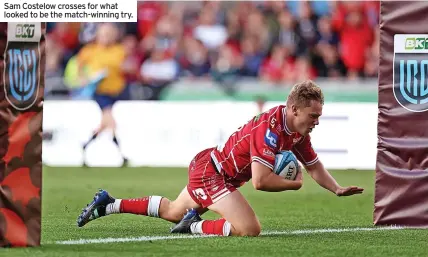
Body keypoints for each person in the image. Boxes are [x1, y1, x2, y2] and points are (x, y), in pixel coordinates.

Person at [77, 80, 364, 236]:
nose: (317, 121)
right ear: (294, 109)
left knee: (173, 211)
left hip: (215, 170)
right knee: (249, 229)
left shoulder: (297, 133)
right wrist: (295, 183)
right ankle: (194, 226)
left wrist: (336, 188)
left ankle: (109, 204)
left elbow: (314, 167)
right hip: (212, 174)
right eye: (313, 116)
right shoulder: (269, 129)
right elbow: (261, 181)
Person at [77, 23, 129, 167]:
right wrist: (84, 78)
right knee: (111, 122)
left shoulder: (119, 50)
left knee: (105, 124)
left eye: (109, 34)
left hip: (117, 92)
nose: (106, 37)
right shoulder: (90, 51)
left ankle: (86, 144)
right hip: (101, 92)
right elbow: (79, 65)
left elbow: (125, 67)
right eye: (104, 34)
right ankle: (121, 155)